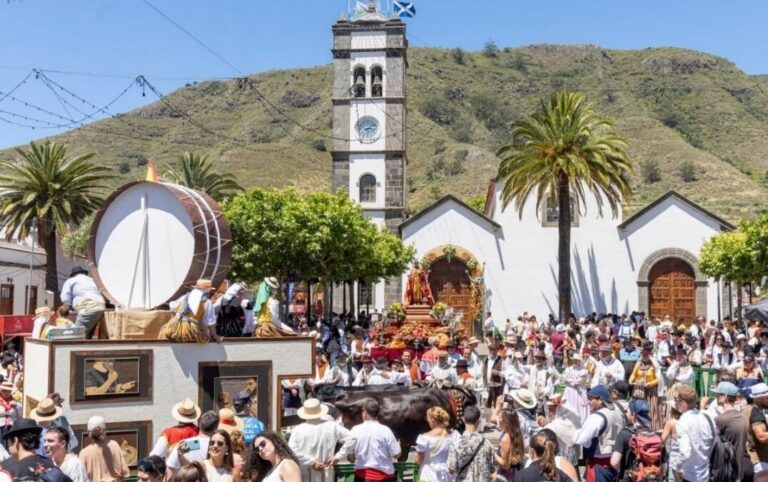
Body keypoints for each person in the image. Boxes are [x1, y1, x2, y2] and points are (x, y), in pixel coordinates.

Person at [287, 399, 355, 481]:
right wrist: (338, 457)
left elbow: (291, 450)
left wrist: (311, 461)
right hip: (326, 472)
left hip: (306, 474)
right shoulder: (332, 426)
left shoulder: (298, 429)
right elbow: (352, 438)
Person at [573, 385, 624, 482]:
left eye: (591, 398)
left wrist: (573, 433)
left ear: (600, 400)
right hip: (615, 461)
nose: (588, 401)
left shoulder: (597, 416)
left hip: (599, 463)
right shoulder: (619, 414)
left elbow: (581, 439)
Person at [670, 384, 715, 482]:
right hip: (706, 475)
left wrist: (675, 467)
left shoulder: (683, 422)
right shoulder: (707, 417)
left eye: (676, 400)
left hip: (691, 477)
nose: (675, 403)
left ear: (683, 403)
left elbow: (685, 453)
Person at [349, 399, 400, 482]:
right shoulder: (386, 430)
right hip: (384, 477)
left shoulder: (355, 430)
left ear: (365, 413)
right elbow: (396, 454)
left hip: (362, 477)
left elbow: (350, 456)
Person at [610, 399, 660, 481]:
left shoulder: (624, 433)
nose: (626, 414)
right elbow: (664, 467)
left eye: (627, 412)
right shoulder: (655, 436)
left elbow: (614, 462)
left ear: (633, 414)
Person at [159, 279, 222, 343]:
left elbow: (172, 306)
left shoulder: (184, 297)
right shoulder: (207, 302)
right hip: (190, 329)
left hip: (174, 325)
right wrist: (215, 335)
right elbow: (210, 322)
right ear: (208, 290)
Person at [446, 406, 494, 482]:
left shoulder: (456, 444)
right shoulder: (486, 443)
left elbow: (451, 469)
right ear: (478, 421)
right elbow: (492, 468)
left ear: (463, 419)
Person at [167, 410, 219, 478]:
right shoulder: (218, 447)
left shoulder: (183, 444)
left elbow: (170, 474)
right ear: (216, 428)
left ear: (199, 424)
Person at [713, 382, 748, 482]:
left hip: (726, 472)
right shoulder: (743, 417)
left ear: (724, 397)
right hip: (739, 470)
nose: (716, 396)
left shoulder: (720, 420)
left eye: (718, 394)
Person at [79, 415, 130, 482]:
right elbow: (125, 471)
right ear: (104, 431)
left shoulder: (84, 453)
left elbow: (82, 478)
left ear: (89, 432)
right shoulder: (115, 444)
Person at [60, 266, 106, 339]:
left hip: (88, 308)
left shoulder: (70, 281)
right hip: (100, 307)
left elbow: (65, 298)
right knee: (87, 335)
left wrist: (69, 305)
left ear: (73, 274)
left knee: (76, 336)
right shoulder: (92, 280)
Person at [414, 406, 457, 482]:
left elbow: (418, 459)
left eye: (427, 418)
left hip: (429, 474)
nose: (427, 420)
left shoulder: (425, 438)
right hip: (448, 472)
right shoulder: (454, 435)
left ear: (432, 420)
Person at [628, 345, 661, 430]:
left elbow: (659, 379)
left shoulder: (654, 365)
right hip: (639, 390)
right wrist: (631, 380)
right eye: (643, 354)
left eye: (646, 354)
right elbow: (634, 374)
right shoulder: (638, 363)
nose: (644, 356)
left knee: (651, 409)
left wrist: (650, 384)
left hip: (650, 391)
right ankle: (637, 426)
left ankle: (652, 428)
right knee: (637, 408)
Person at [495, 408, 525, 481]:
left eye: (500, 417)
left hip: (507, 476)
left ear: (505, 421)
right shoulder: (518, 434)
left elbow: (505, 464)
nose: (498, 419)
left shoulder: (506, 438)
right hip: (517, 471)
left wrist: (492, 453)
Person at [748, 382, 768, 474]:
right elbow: (762, 436)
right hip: (760, 461)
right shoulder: (756, 414)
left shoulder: (747, 408)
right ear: (759, 398)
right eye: (767, 397)